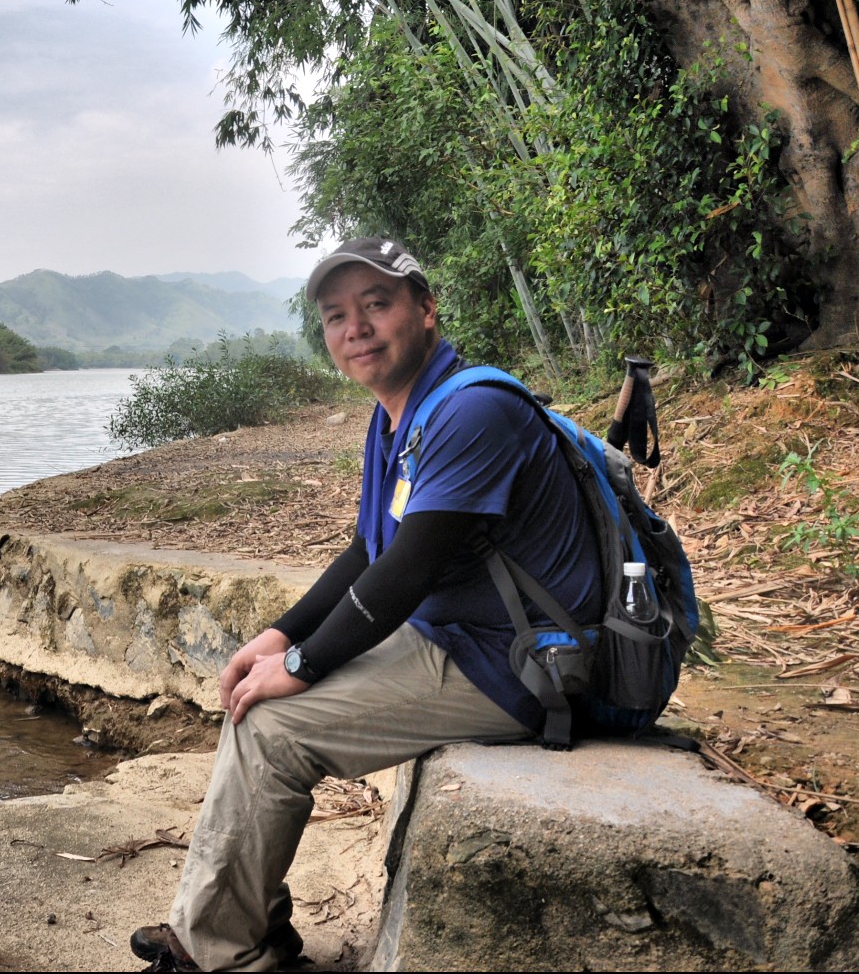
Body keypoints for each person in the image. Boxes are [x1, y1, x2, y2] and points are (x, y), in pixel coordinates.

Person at [131, 236, 604, 972]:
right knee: (257, 694)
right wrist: (278, 635)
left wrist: (304, 663)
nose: (355, 328)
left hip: (526, 664)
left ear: (425, 308)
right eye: (335, 315)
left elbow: (407, 571)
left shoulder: (471, 410)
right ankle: (239, 919)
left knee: (275, 723)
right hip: (466, 637)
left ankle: (221, 954)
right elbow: (368, 549)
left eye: (376, 305)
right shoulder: (399, 415)